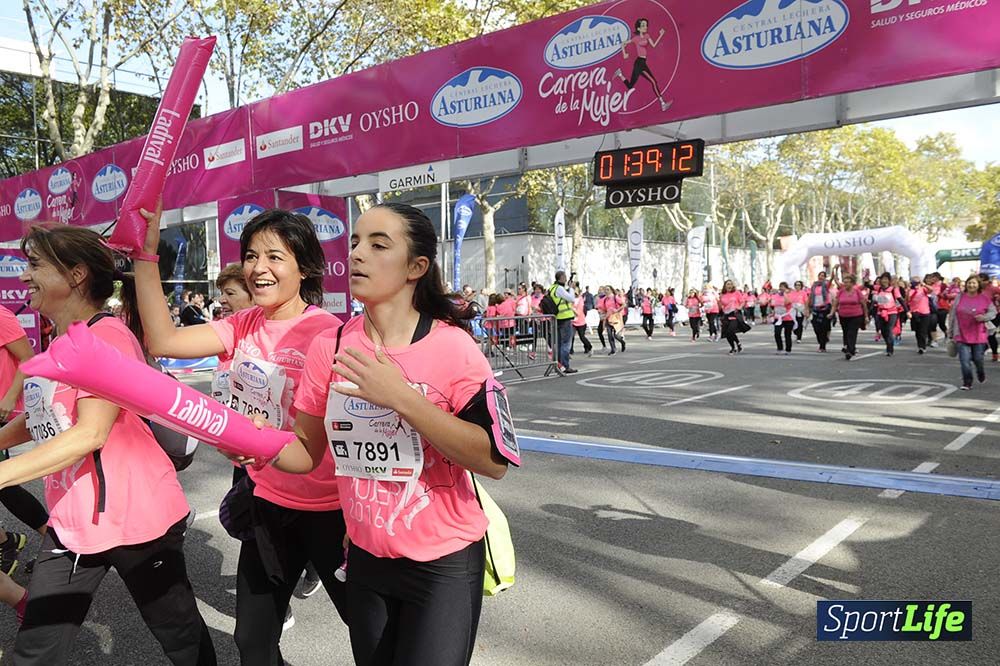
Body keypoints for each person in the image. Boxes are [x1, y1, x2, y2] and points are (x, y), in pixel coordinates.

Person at [281, 203, 512, 666]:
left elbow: (493, 460)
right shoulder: (332, 345)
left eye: (378, 244)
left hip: (443, 562)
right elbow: (306, 453)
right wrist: (252, 443)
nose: (358, 255)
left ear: (416, 267)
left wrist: (402, 397)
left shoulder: (452, 347)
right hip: (365, 556)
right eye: (355, 243)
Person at [134, 207, 347, 665]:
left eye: (275, 257)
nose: (259, 269)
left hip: (332, 511)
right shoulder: (243, 324)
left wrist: (266, 439)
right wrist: (147, 258)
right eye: (252, 256)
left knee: (371, 634)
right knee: (253, 640)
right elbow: (163, 342)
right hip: (268, 503)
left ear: (304, 267)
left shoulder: (328, 332)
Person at [0, 224, 215, 665]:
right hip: (72, 524)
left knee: (181, 638)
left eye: (36, 265)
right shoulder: (61, 339)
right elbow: (42, 416)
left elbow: (90, 433)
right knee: (35, 651)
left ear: (76, 274)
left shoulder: (107, 335)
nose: (24, 277)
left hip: (138, 520)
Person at [948, 275, 995, 390]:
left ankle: (980, 372)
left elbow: (993, 312)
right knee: (964, 360)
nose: (971, 285)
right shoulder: (960, 297)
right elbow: (952, 314)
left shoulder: (984, 298)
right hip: (961, 333)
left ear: (978, 285)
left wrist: (984, 317)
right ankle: (967, 382)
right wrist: (950, 331)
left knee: (978, 359)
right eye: (969, 283)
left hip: (979, 334)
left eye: (974, 283)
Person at [613, 18, 671, 111]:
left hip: (642, 62)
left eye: (646, 25)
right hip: (639, 63)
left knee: (630, 86)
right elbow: (623, 43)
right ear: (639, 28)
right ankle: (663, 103)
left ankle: (620, 74)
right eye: (643, 25)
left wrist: (661, 35)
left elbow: (654, 45)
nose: (646, 27)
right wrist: (624, 53)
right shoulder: (636, 39)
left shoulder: (647, 36)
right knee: (653, 82)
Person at [831, 274, 868, 360]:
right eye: (844, 282)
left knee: (852, 332)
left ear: (852, 283)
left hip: (856, 315)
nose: (845, 284)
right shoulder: (841, 291)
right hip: (843, 315)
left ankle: (850, 350)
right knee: (846, 332)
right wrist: (831, 313)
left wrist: (866, 316)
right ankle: (849, 347)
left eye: (847, 282)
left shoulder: (857, 291)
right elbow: (836, 303)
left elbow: (864, 304)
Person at [548, 271, 577, 374]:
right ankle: (565, 365)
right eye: (564, 277)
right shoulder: (559, 288)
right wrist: (572, 288)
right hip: (564, 318)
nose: (565, 279)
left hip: (557, 318)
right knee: (566, 343)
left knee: (559, 343)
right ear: (560, 278)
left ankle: (560, 365)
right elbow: (572, 299)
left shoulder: (552, 287)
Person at [872, 273, 903, 356]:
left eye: (886, 279)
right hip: (880, 312)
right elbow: (868, 285)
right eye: (883, 279)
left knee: (889, 329)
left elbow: (901, 300)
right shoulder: (878, 289)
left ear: (889, 281)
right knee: (883, 331)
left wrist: (907, 311)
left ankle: (890, 348)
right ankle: (888, 343)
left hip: (892, 312)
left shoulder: (893, 289)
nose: (884, 281)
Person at [806, 272, 833, 352]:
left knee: (823, 327)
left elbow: (831, 279)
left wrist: (834, 269)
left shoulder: (826, 285)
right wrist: (807, 307)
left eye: (823, 276)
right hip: (815, 308)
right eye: (820, 275)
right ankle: (822, 340)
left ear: (825, 277)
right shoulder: (814, 285)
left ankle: (822, 346)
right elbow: (811, 295)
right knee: (816, 327)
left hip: (825, 308)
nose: (821, 277)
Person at [908, 277, 934, 354]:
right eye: (914, 282)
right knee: (917, 331)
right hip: (914, 312)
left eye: (917, 282)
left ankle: (922, 347)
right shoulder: (910, 290)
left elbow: (931, 290)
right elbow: (907, 300)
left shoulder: (923, 289)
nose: (915, 284)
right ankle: (919, 345)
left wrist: (924, 284)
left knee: (923, 330)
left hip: (925, 312)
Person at [719, 280, 744, 354]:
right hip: (726, 314)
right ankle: (734, 346)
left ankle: (736, 345)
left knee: (731, 330)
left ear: (732, 286)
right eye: (727, 284)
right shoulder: (722, 294)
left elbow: (742, 301)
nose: (729, 286)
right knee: (727, 333)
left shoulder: (736, 293)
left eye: (730, 284)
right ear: (725, 286)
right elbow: (721, 304)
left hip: (735, 314)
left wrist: (739, 307)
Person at [771, 282, 794, 355]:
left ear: (786, 288)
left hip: (787, 317)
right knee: (777, 333)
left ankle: (788, 349)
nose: (781, 288)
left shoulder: (789, 295)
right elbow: (773, 305)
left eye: (783, 287)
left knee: (787, 334)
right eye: (780, 287)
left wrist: (785, 294)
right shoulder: (775, 296)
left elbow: (788, 302)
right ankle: (780, 348)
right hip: (778, 317)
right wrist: (773, 313)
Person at [572, 288, 593, 357]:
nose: (574, 294)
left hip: (580, 321)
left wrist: (571, 308)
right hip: (572, 321)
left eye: (576, 292)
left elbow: (578, 312)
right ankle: (570, 350)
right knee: (571, 336)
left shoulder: (581, 300)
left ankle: (589, 347)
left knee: (582, 337)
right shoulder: (571, 299)